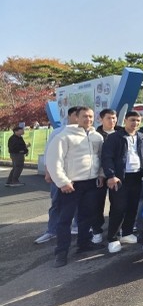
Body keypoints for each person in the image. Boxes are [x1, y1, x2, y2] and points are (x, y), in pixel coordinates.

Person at [45, 107, 105, 267]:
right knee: (65, 220)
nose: (88, 119)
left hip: (91, 183)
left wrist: (101, 174)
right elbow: (54, 161)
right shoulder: (64, 136)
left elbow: (100, 158)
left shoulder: (97, 136)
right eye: (84, 116)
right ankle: (61, 253)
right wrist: (63, 182)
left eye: (91, 116)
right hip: (71, 184)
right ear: (76, 118)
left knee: (86, 217)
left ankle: (83, 244)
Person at [101, 111, 143, 254]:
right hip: (120, 178)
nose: (135, 123)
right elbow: (107, 157)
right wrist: (111, 175)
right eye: (132, 120)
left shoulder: (142, 137)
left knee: (132, 206)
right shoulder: (114, 137)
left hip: (137, 177)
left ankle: (127, 232)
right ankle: (113, 238)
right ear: (125, 121)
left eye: (138, 120)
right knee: (118, 208)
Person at [34, 106, 81, 244]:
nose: (80, 118)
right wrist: (48, 172)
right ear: (69, 116)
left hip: (80, 176)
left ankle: (77, 227)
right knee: (56, 204)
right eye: (77, 115)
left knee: (80, 203)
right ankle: (52, 231)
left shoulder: (88, 133)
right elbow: (49, 154)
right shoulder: (58, 132)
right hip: (59, 176)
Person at [93, 108, 123, 243]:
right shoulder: (96, 135)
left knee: (117, 204)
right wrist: (101, 173)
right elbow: (97, 157)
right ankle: (97, 230)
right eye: (108, 118)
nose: (112, 121)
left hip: (118, 175)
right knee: (97, 204)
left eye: (114, 118)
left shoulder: (122, 133)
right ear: (101, 119)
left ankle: (115, 229)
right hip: (100, 175)